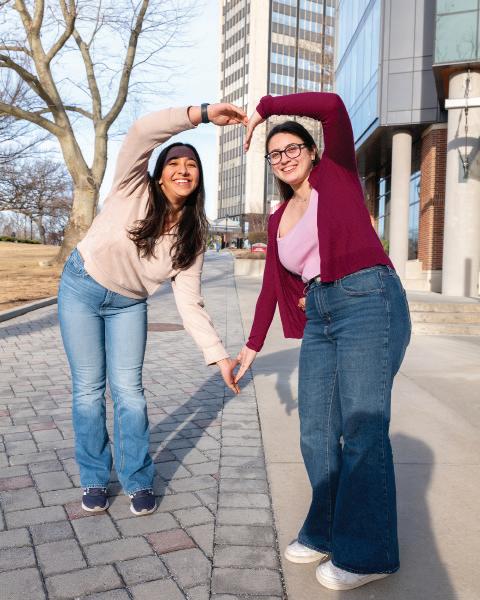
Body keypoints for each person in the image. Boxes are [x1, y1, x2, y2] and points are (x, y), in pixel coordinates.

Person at [235, 92, 411, 591]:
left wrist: (266, 108)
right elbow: (272, 287)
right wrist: (251, 346)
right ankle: (327, 528)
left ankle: (370, 554)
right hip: (322, 315)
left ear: (313, 151)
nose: (284, 157)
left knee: (361, 429)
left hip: (368, 298)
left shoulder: (337, 174)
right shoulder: (277, 218)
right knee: (315, 431)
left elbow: (332, 106)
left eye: (293, 147)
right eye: (275, 154)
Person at [58, 102, 245, 516]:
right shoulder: (132, 186)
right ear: (159, 174)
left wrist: (219, 356)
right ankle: (94, 477)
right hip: (82, 287)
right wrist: (202, 114)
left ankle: (137, 478)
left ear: (199, 178)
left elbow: (189, 302)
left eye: (191, 165)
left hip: (128, 304)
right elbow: (143, 130)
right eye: (174, 163)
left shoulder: (192, 235)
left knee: (130, 393)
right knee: (89, 391)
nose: (183, 169)